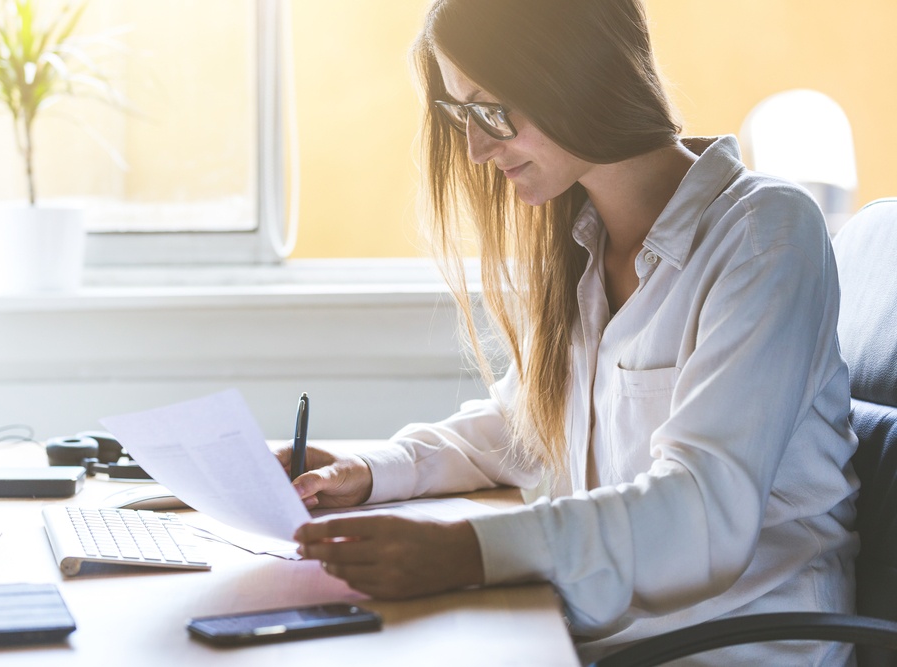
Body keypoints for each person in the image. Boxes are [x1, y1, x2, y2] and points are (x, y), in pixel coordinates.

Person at [276, 0, 859, 663]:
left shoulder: (762, 236)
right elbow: (526, 425)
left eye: (490, 110)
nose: (474, 148)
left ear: (574, 74)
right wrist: (369, 469)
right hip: (613, 639)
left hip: (736, 648)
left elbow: (704, 510)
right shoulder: (584, 251)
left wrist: (465, 549)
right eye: (460, 115)